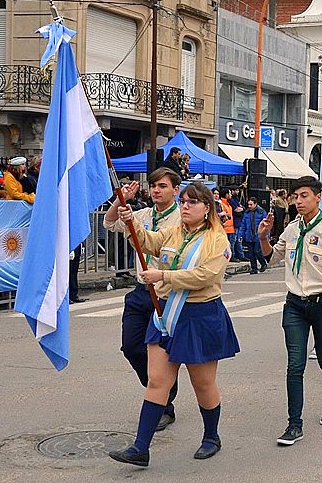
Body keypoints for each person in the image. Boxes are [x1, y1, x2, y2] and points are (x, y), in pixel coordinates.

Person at [108, 182, 238, 467]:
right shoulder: (174, 231)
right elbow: (149, 242)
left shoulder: (217, 238)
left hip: (199, 315)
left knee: (202, 383)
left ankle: (211, 437)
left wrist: (164, 278)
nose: (185, 207)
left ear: (207, 209)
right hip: (167, 313)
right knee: (157, 381)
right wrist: (133, 226)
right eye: (183, 202)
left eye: (192, 202)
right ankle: (141, 448)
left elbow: (206, 275)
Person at [257, 176, 322, 447]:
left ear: (317, 197)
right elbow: (271, 257)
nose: (299, 201)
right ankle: (294, 424)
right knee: (295, 365)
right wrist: (264, 236)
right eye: (295, 197)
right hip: (294, 305)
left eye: (304, 196)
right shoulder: (291, 229)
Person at [103, 168, 184, 436]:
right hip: (141, 291)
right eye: (153, 186)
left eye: (162, 185)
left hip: (165, 292)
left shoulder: (181, 219)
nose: (156, 190)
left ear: (175, 189)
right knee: (131, 347)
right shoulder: (144, 214)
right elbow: (109, 222)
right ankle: (163, 390)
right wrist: (120, 200)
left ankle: (163, 403)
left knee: (162, 353)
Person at [236, 197, 268, 274]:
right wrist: (240, 236)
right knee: (251, 253)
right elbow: (243, 225)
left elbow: (265, 224)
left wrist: (266, 235)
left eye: (251, 204)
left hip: (258, 236)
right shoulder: (247, 213)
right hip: (249, 236)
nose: (249, 206)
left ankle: (263, 263)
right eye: (248, 204)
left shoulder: (261, 212)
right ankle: (254, 268)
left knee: (257, 251)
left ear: (255, 204)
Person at [218, 189, 239, 262]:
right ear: (226, 195)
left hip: (231, 227)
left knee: (231, 244)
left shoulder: (228, 203)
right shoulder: (221, 204)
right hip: (225, 228)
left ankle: (231, 256)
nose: (230, 195)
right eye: (229, 193)